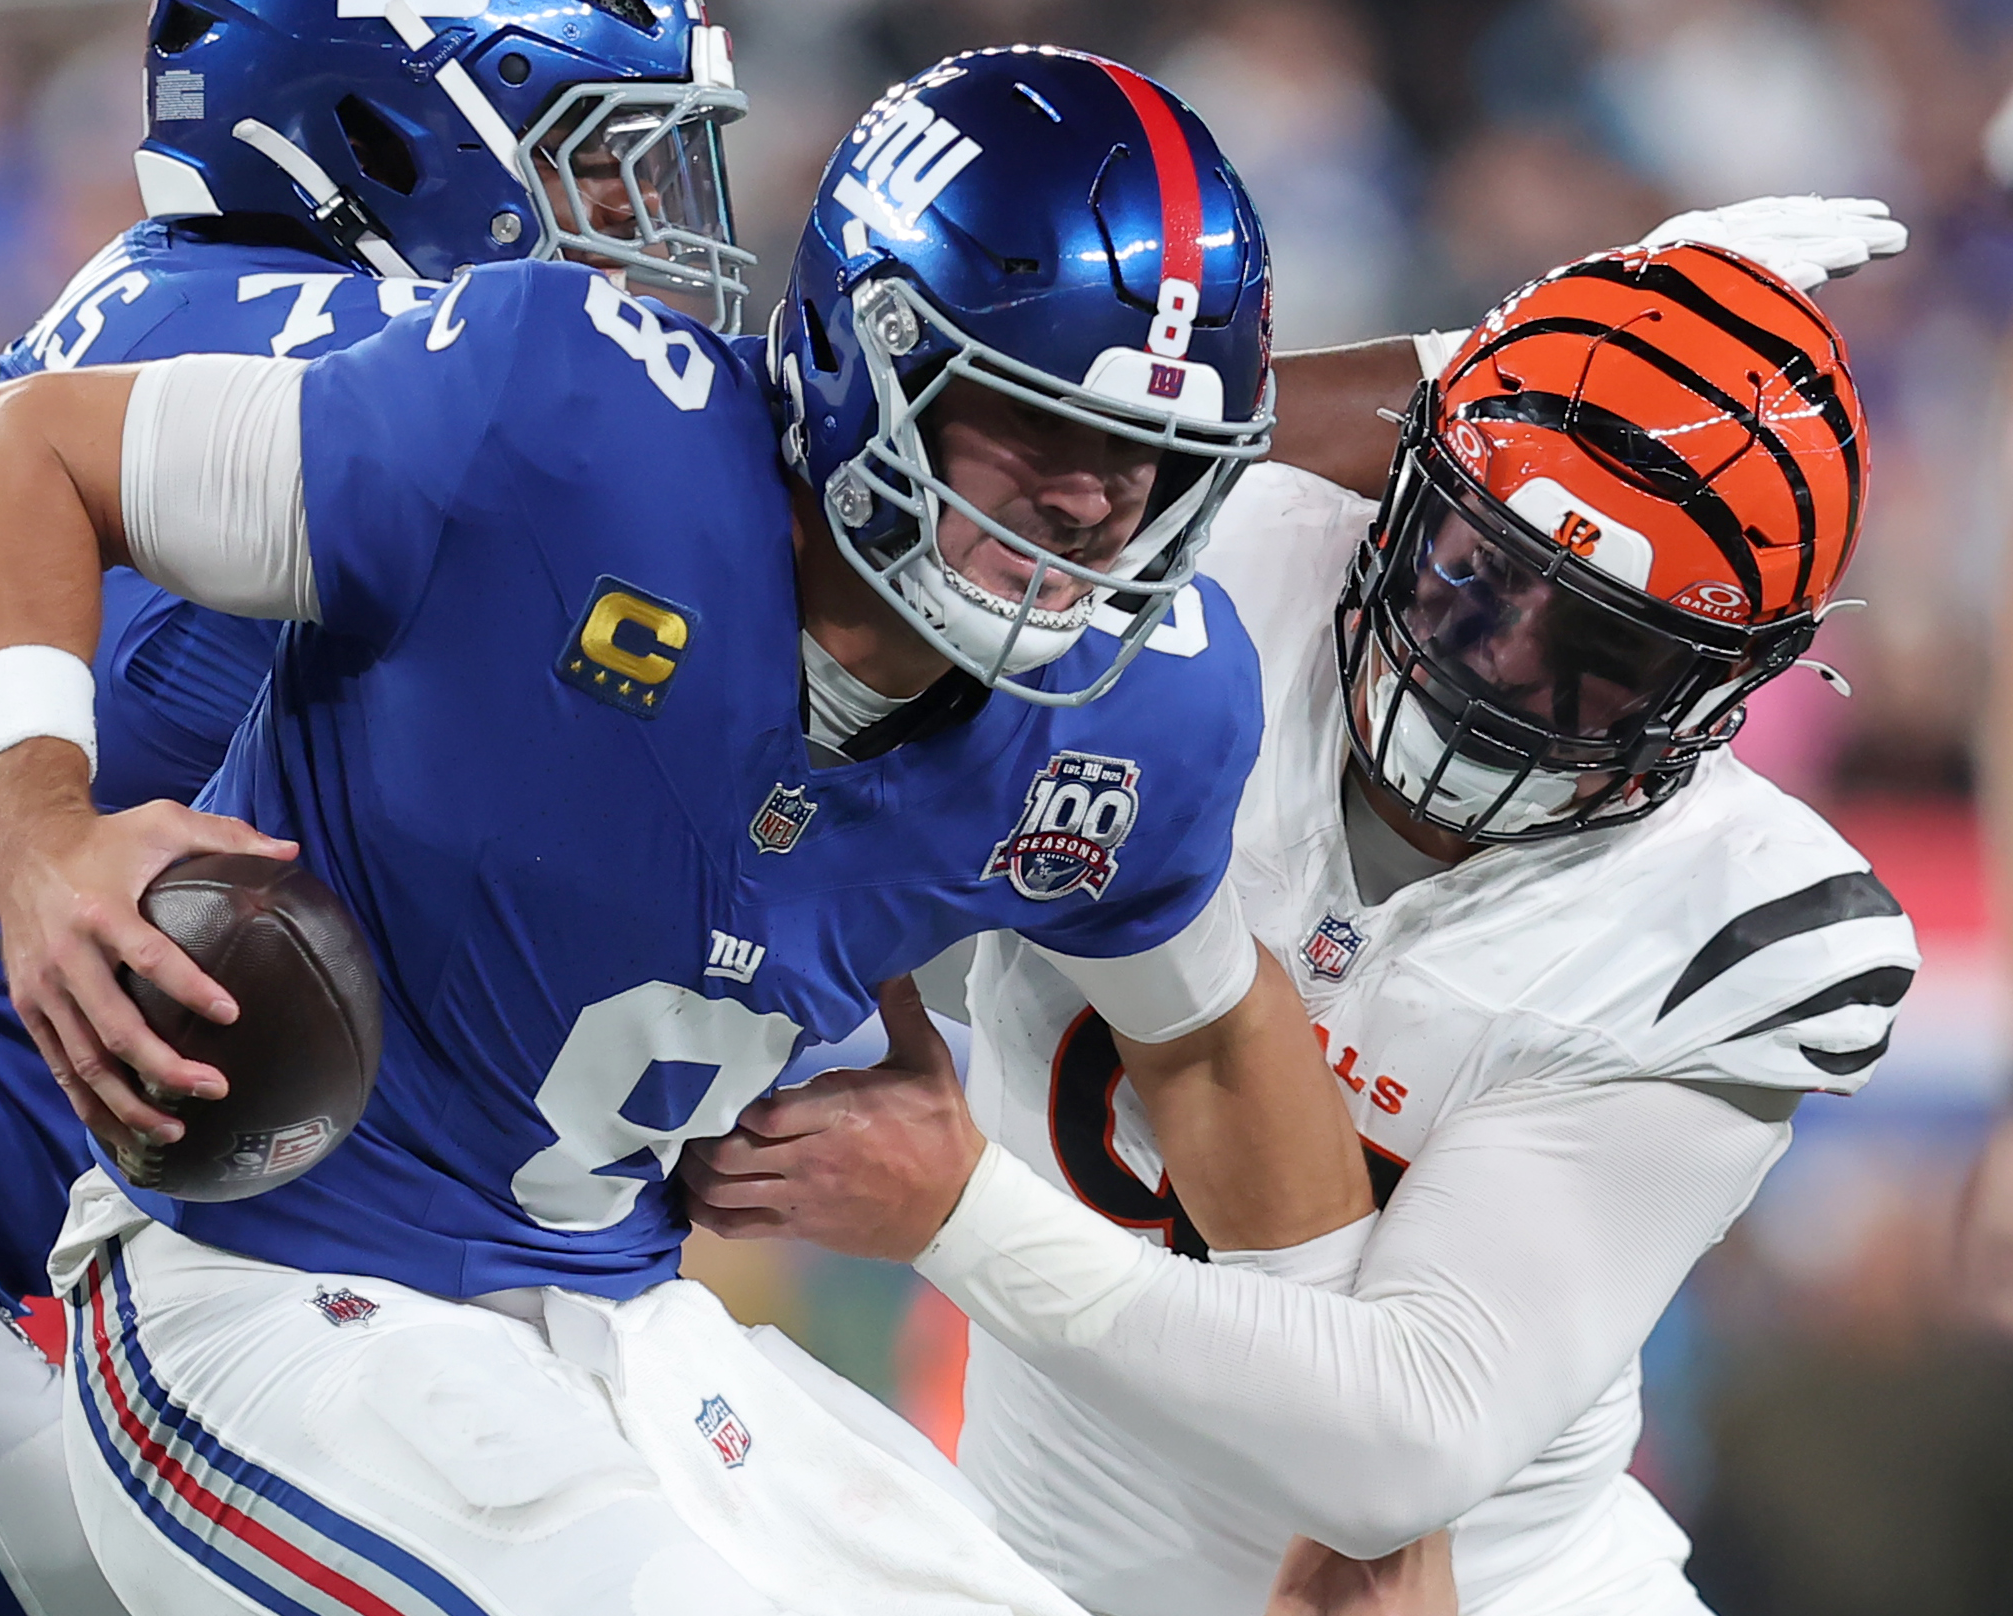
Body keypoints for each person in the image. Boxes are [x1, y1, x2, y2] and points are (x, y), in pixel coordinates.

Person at [0, 47, 1400, 1615]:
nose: (1097, 511)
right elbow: (22, 451)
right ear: (862, 352)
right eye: (1034, 434)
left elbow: (1221, 1046)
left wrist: (1367, 1502)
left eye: (1150, 464)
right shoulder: (556, 428)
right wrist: (32, 830)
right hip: (272, 1294)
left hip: (623, 1329)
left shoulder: (1145, 713)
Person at [0, 5, 749, 1611]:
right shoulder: (364, 371)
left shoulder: (206, 299)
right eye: (602, 167)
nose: (644, 225)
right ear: (392, 132)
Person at [681, 232, 1921, 1616]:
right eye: (1478, 572)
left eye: (1605, 654)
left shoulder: (1740, 930)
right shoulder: (1228, 569)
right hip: (1025, 1555)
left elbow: (1404, 1444)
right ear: (1403, 492)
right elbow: (1011, 417)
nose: (1504, 670)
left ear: (1728, 687)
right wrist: (1546, 361)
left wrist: (954, 1209)